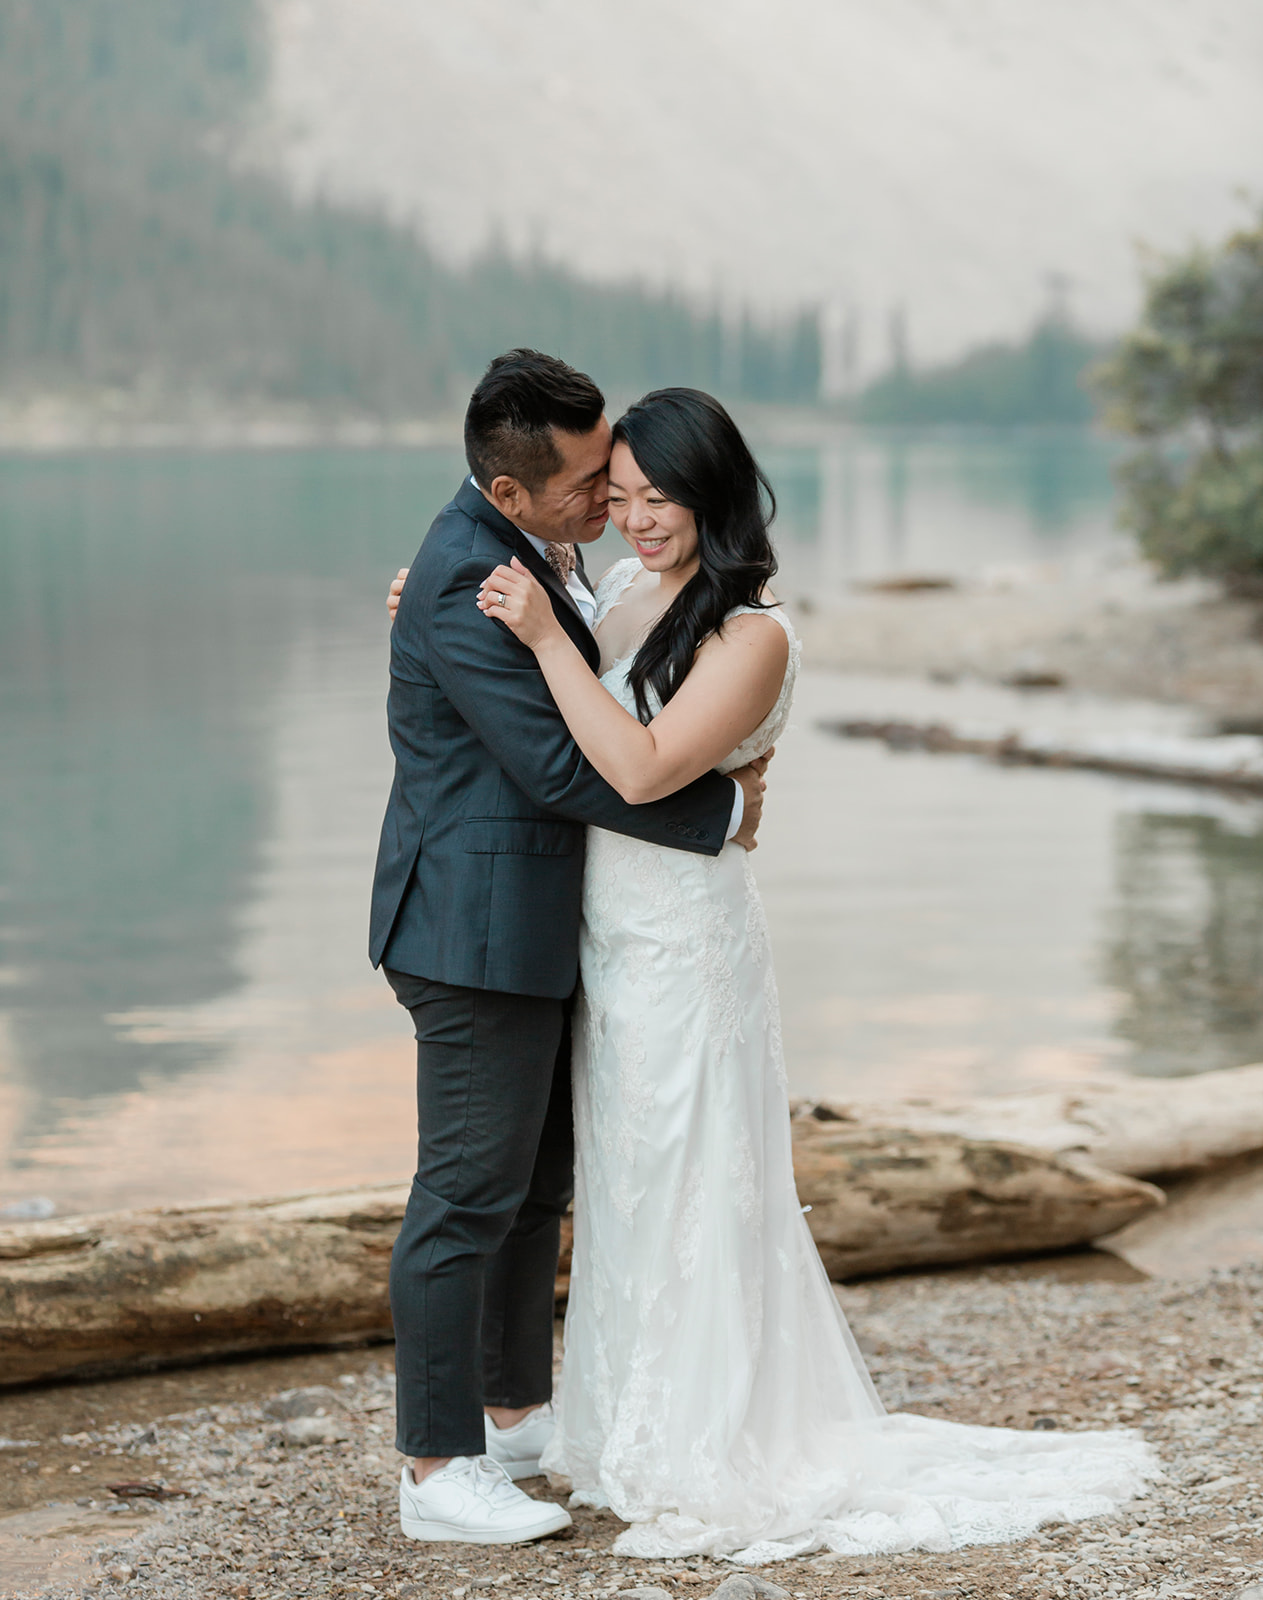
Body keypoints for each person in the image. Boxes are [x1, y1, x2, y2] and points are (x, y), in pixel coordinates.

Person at [460, 385, 1160, 1561]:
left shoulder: (754, 632)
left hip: (688, 945)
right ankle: (636, 1422)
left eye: (657, 498)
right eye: (618, 496)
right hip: (611, 940)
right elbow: (564, 702)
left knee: (696, 1177)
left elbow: (633, 769)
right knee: (630, 1185)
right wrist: (453, 614)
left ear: (715, 493)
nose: (633, 519)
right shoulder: (628, 591)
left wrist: (536, 636)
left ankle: (715, 1438)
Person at [371, 351, 767, 1547]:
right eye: (592, 482)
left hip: (543, 926)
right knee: (463, 1193)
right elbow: (554, 765)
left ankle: (512, 1413)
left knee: (533, 1184)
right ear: (508, 493)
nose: (612, 497)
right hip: (472, 929)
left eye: (621, 473)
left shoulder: (534, 552)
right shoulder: (463, 577)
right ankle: (437, 1468)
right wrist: (722, 814)